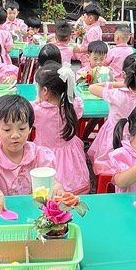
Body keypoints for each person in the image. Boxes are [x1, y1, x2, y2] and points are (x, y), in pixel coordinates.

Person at [0, 96, 58, 211]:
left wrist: (57, 187)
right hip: (1, 212)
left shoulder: (40, 155)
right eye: (7, 130)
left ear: (30, 128)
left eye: (22, 128)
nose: (15, 135)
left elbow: (51, 181)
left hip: (34, 212)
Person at [32, 64, 89, 194]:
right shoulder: (74, 105)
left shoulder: (37, 111)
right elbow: (76, 103)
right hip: (71, 155)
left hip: (45, 156)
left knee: (45, 189)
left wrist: (37, 101)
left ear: (44, 91)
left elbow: (26, 112)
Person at [87, 53, 136, 164]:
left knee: (107, 163)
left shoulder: (115, 94)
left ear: (123, 74)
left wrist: (122, 83)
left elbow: (92, 87)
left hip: (113, 138)